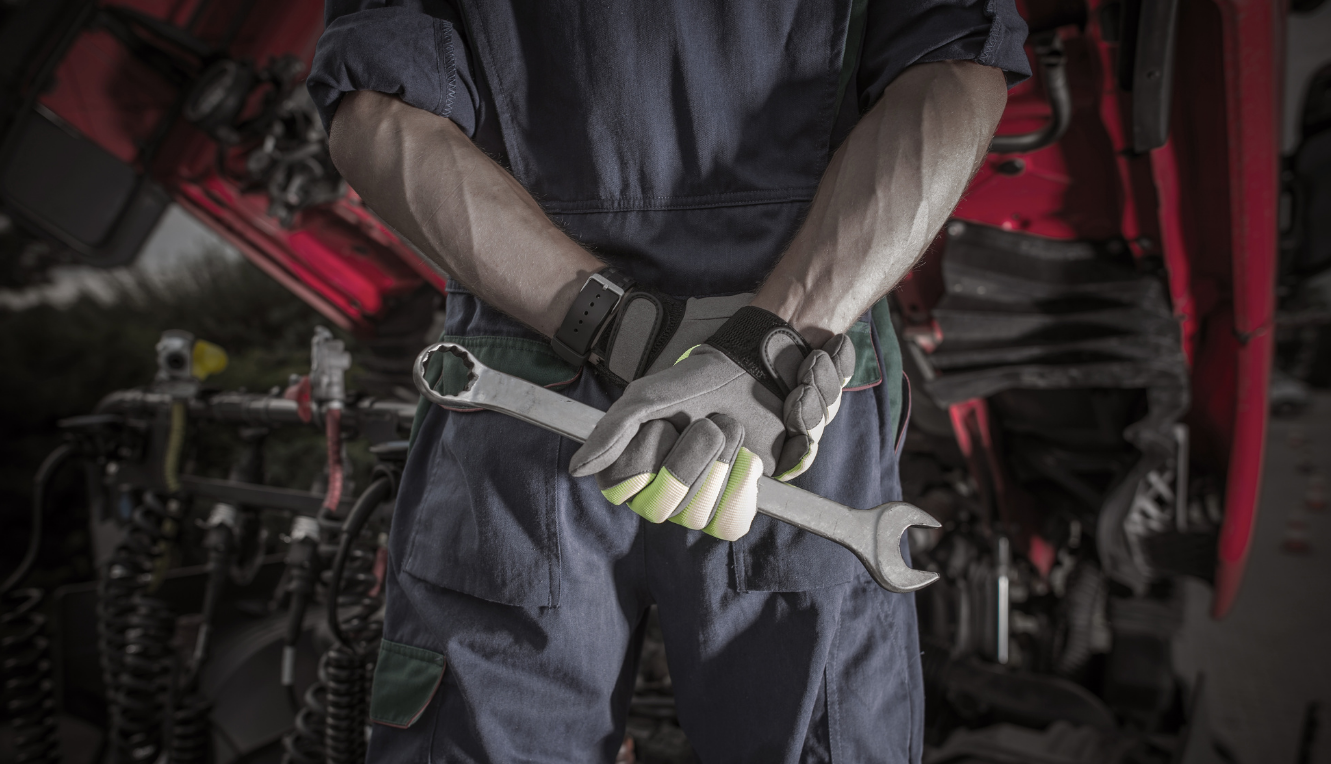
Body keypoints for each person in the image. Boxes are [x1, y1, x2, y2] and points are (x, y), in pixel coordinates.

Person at [308, 1, 1029, 760]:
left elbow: (378, 116)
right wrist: (762, 345)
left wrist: (623, 328)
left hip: (538, 381)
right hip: (788, 396)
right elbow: (956, 73)